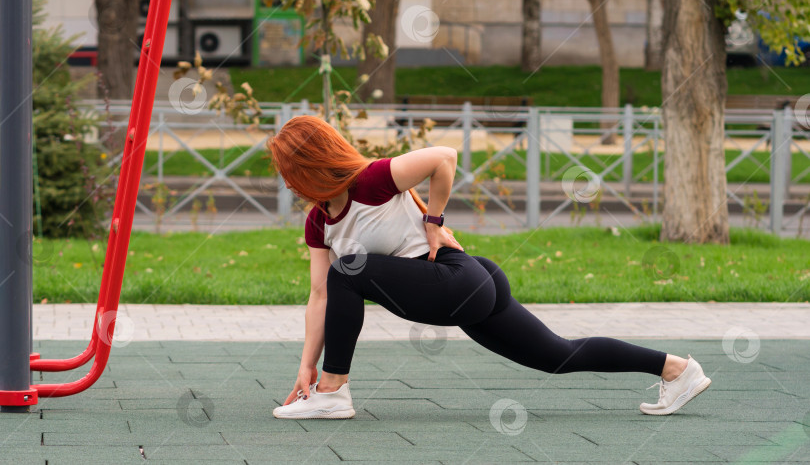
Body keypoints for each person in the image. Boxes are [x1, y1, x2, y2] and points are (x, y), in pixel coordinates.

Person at [269, 115, 711, 420]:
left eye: (289, 170)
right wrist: (306, 365)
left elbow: (443, 156)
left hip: (456, 279)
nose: (287, 183)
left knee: (348, 269)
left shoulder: (373, 180)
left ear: (312, 164)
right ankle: (676, 370)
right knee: (556, 356)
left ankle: (333, 392)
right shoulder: (318, 222)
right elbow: (319, 296)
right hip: (470, 288)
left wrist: (433, 220)